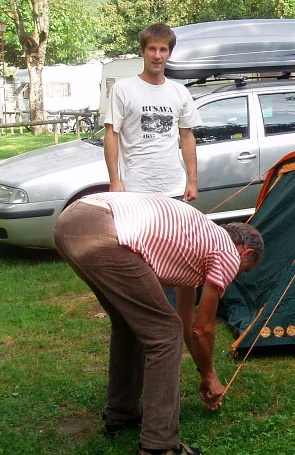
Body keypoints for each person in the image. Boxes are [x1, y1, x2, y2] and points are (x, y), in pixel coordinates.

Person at [54, 192, 264, 455]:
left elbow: (187, 320)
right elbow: (203, 328)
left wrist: (204, 371)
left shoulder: (198, 242)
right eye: (244, 270)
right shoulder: (228, 253)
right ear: (246, 253)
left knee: (131, 324)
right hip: (104, 228)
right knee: (165, 333)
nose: (235, 275)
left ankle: (122, 414)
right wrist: (210, 376)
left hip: (72, 221)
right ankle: (159, 446)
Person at [104, 23, 203, 306]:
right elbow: (111, 134)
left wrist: (192, 180)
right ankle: (142, 310)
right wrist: (115, 180)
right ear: (142, 51)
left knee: (172, 253)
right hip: (136, 189)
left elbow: (187, 136)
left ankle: (170, 312)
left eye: (162, 50)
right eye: (152, 49)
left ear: (169, 53)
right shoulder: (123, 89)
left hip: (172, 188)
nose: (157, 56)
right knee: (140, 254)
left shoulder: (179, 92)